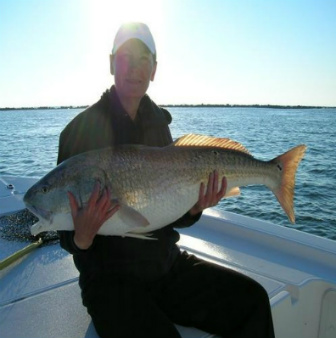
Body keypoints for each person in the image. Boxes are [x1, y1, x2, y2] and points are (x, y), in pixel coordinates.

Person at [57, 22, 275, 338]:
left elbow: (167, 216)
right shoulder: (79, 132)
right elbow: (61, 225)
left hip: (165, 267)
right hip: (109, 281)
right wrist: (82, 237)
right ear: (110, 63)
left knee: (252, 300)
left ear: (155, 69)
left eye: (144, 59)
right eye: (126, 57)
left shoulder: (159, 125)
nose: (135, 68)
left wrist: (194, 208)